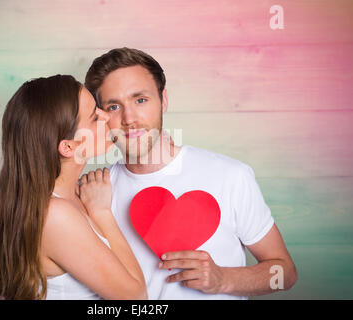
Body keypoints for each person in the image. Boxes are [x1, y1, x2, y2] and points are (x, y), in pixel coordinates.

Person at [83, 47, 298, 299]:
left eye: (140, 100)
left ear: (163, 100)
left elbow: (286, 274)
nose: (129, 118)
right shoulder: (92, 194)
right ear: (100, 115)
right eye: (113, 106)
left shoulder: (231, 176)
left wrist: (224, 280)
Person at [0, 75, 147, 300]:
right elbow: (136, 298)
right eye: (94, 118)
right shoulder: (55, 215)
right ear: (69, 147)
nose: (107, 116)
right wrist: (102, 214)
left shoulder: (69, 197)